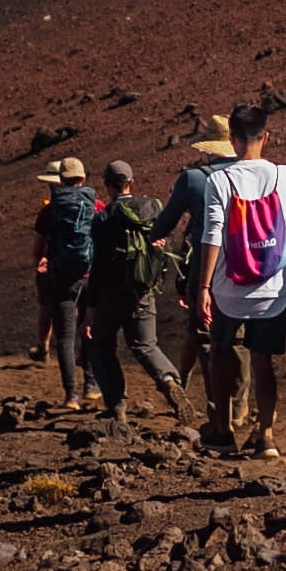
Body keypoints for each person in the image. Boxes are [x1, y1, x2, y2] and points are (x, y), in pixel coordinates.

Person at [197, 98, 286, 459]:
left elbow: (213, 234)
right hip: (272, 287)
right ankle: (267, 436)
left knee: (221, 353)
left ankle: (223, 430)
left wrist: (203, 285)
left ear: (232, 139)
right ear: (266, 136)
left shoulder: (219, 180)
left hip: (229, 289)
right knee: (263, 361)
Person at [84, 160, 185, 420]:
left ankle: (116, 406)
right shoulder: (152, 209)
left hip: (111, 295)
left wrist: (91, 306)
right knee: (146, 345)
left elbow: (98, 266)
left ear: (107, 186)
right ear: (131, 182)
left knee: (101, 347)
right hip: (143, 290)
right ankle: (169, 381)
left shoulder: (104, 218)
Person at [145, 115, 234, 385]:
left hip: (204, 261)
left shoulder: (193, 178)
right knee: (237, 336)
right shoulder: (250, 173)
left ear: (207, 148)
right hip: (244, 260)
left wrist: (153, 236)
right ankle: (238, 405)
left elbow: (166, 222)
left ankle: (216, 404)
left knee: (202, 331)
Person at [31, 158, 96, 404]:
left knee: (66, 338)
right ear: (83, 179)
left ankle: (71, 396)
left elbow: (38, 248)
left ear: (61, 179)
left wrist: (43, 263)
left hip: (62, 278)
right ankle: (91, 386)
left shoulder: (50, 210)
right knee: (88, 331)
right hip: (90, 278)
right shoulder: (96, 205)